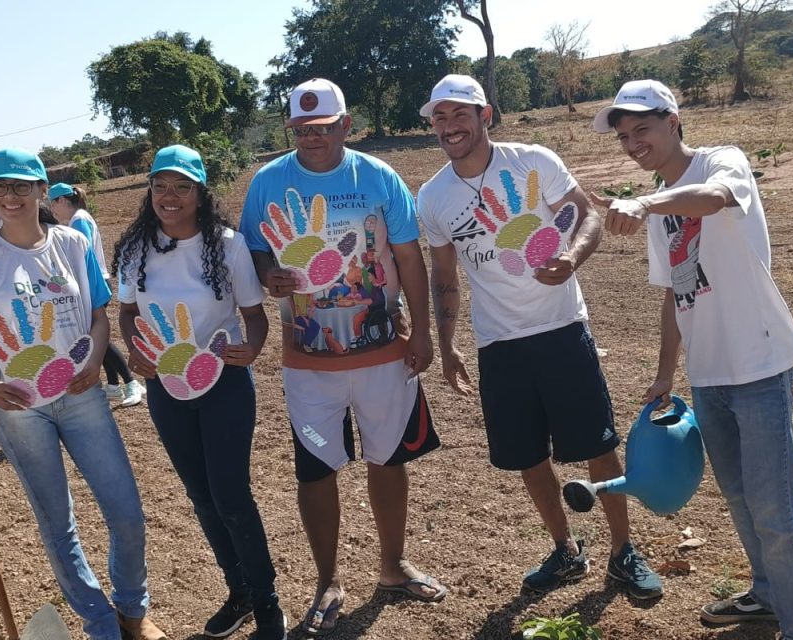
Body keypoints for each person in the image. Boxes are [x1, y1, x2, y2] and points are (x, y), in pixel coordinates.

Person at [589, 79, 793, 639]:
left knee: (776, 509)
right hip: (709, 373)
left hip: (759, 361)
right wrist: (664, 372)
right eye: (623, 136)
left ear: (674, 121)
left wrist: (645, 201)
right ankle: (768, 597)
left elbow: (717, 198)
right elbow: (677, 290)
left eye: (641, 129)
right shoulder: (659, 203)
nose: (631, 142)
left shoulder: (722, 162)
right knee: (742, 498)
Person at [416, 74, 663, 599]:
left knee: (597, 444)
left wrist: (572, 257)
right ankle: (566, 550)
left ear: (485, 116)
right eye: (439, 117)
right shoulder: (433, 197)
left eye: (460, 114)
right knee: (527, 454)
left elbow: (587, 215)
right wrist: (449, 343)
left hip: (561, 330)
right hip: (498, 344)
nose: (449, 126)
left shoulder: (532, 161)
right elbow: (444, 275)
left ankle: (623, 551)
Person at [239, 77, 443, 637]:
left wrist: (421, 332)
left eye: (323, 128)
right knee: (316, 468)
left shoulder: (377, 178)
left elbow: (408, 256)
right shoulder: (268, 181)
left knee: (388, 459)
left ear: (346, 126)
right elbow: (253, 247)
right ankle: (328, 579)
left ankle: (393, 565)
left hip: (382, 351)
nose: (311, 138)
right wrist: (266, 273)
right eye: (301, 129)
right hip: (308, 360)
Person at [0, 149, 166, 640]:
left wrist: (94, 361)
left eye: (21, 185)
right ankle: (99, 621)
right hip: (19, 410)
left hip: (82, 395)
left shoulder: (71, 244)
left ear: (41, 190)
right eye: (0, 187)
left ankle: (133, 610)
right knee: (57, 522)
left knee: (127, 514)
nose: (10, 196)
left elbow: (97, 314)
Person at [115, 145, 285, 639]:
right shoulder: (135, 249)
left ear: (200, 192)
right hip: (167, 386)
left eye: (182, 187)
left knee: (231, 494)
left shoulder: (228, 245)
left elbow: (254, 316)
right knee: (201, 497)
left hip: (224, 382)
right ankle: (240, 593)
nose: (170, 197)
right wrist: (135, 349)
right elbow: (127, 312)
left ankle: (267, 598)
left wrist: (251, 349)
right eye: (160, 186)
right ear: (150, 191)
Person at [47, 182, 145, 407]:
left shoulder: (79, 221)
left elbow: (78, 257)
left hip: (91, 284)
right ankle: (113, 386)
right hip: (92, 283)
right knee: (93, 338)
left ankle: (131, 383)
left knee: (95, 339)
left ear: (62, 200)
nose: (53, 210)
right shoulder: (78, 218)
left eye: (53, 204)